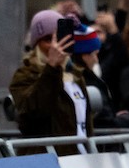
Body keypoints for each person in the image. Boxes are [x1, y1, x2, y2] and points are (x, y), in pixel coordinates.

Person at [9, 9, 92, 154]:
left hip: (79, 162)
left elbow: (86, 125)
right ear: (36, 44)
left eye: (58, 38)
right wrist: (52, 68)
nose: (55, 45)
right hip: (45, 162)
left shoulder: (75, 75)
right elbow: (35, 109)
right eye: (48, 39)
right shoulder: (24, 75)